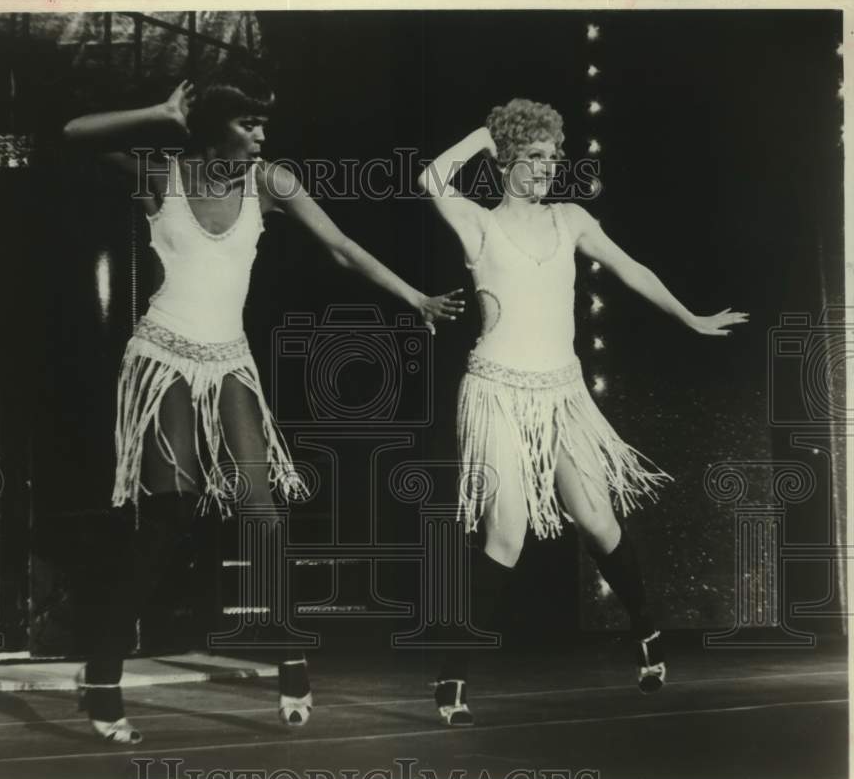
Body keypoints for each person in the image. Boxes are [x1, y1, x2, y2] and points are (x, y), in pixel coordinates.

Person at [63, 62, 465, 743]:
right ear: (215, 129)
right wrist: (159, 114)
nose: (261, 133)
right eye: (249, 123)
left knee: (265, 514)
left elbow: (340, 247)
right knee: (167, 515)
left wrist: (415, 297)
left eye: (263, 123)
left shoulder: (272, 181)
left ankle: (290, 661)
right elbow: (73, 134)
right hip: (163, 357)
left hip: (230, 362)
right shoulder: (162, 174)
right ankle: (101, 675)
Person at [417, 98, 748, 726]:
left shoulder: (570, 219)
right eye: (532, 156)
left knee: (597, 520)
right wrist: (483, 134)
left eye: (552, 157)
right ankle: (452, 674)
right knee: (505, 535)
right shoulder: (477, 224)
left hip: (563, 392)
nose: (545, 168)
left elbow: (631, 268)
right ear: (505, 160)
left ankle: (646, 630)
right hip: (496, 392)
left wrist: (689, 316)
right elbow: (430, 177)